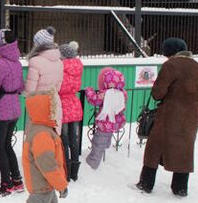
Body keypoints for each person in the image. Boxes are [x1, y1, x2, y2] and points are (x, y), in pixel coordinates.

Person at [6, 89, 87, 203]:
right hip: (42, 186)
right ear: (45, 110)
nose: (57, 111)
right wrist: (61, 184)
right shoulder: (42, 134)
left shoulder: (41, 128)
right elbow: (48, 165)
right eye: (53, 107)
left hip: (45, 186)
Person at [135, 38, 198, 197]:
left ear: (169, 52)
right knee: (184, 150)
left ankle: (146, 183)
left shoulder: (170, 65)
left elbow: (158, 93)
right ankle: (180, 188)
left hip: (169, 115)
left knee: (154, 149)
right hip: (191, 117)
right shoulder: (197, 66)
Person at [0, 29, 26, 196]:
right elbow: (21, 87)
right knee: (7, 145)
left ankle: (6, 184)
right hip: (15, 107)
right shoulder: (16, 62)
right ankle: (17, 180)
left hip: (2, 109)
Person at [84, 68, 127, 170]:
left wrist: (89, 90)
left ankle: (92, 164)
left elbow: (94, 100)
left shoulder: (105, 94)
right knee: (106, 138)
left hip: (105, 123)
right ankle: (105, 146)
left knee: (98, 142)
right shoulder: (123, 93)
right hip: (116, 122)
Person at [25, 27, 63, 130]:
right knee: (51, 136)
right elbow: (58, 87)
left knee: (36, 137)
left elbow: (30, 91)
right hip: (54, 102)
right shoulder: (59, 62)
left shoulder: (35, 61)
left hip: (38, 104)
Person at [58, 41, 84, 181]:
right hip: (74, 104)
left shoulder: (61, 68)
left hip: (63, 106)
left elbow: (60, 88)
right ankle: (74, 173)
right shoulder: (78, 68)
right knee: (74, 139)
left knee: (64, 139)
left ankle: (66, 172)